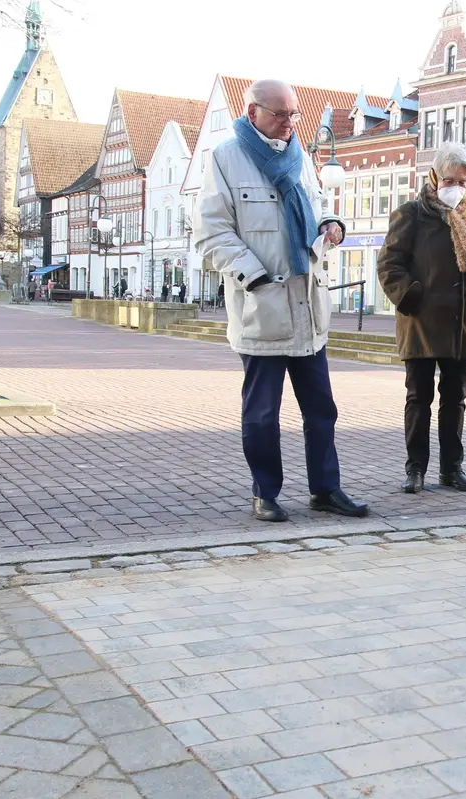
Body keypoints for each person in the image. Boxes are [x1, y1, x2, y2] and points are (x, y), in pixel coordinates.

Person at [195, 78, 369, 522]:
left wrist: (333, 225)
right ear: (253, 112)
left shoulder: (301, 158)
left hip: (309, 307)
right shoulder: (225, 159)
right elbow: (212, 233)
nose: (289, 123)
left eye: (294, 115)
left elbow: (317, 205)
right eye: (279, 114)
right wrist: (253, 277)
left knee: (321, 410)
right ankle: (266, 492)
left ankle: (326, 489)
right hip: (264, 308)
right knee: (261, 415)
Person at [378, 142, 466, 494]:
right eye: (450, 180)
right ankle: (415, 469)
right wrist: (409, 294)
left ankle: (452, 469)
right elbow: (389, 264)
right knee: (418, 398)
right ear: (434, 176)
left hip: (463, 323)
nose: (456, 188)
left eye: (463, 181)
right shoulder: (411, 214)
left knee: (455, 399)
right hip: (421, 322)